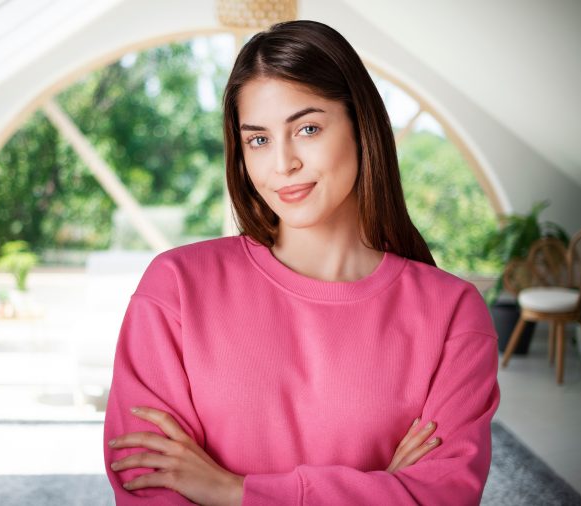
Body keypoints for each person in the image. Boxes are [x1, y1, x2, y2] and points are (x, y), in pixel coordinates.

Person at [103, 20, 500, 505]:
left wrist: (230, 492)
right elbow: (147, 485)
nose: (282, 163)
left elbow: (441, 498)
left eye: (307, 128)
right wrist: (380, 490)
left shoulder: (453, 313)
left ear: (362, 126)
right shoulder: (176, 288)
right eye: (258, 140)